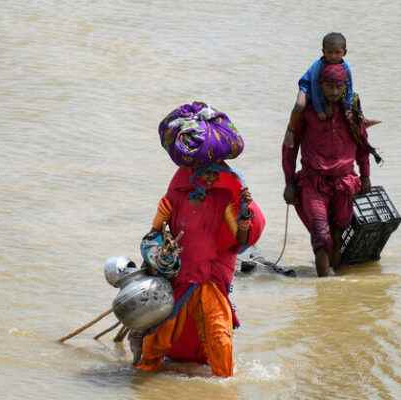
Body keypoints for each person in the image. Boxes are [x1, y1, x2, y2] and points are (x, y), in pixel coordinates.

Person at [133, 162, 265, 377]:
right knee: (156, 340)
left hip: (210, 280)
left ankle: (225, 388)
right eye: (206, 175)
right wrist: (158, 221)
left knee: (219, 337)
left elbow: (239, 242)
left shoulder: (226, 197)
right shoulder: (177, 192)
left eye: (214, 175)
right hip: (180, 279)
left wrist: (244, 216)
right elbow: (154, 242)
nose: (210, 179)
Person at [282, 63, 376, 277]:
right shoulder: (307, 111)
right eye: (329, 86)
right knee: (321, 234)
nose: (334, 92)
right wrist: (288, 182)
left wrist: (366, 176)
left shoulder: (351, 111)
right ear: (320, 85)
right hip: (313, 181)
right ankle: (325, 286)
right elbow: (289, 146)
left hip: (344, 182)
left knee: (338, 230)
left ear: (345, 86)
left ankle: (334, 280)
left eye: (338, 87)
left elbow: (362, 145)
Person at [287, 32, 381, 132]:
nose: (333, 56)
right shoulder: (318, 67)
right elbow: (315, 87)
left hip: (332, 87)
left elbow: (349, 85)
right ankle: (291, 128)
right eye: (329, 52)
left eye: (337, 52)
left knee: (354, 98)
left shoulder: (346, 67)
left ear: (344, 52)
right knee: (300, 104)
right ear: (323, 52)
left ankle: (362, 121)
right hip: (309, 86)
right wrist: (319, 110)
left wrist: (348, 107)